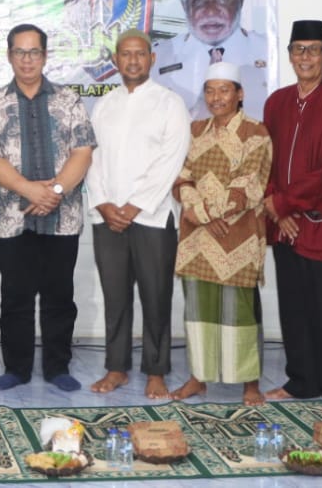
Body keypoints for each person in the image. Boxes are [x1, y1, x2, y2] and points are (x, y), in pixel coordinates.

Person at [0, 23, 96, 393]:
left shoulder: (68, 100)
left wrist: (56, 190)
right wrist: (29, 190)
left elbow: (82, 152)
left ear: (45, 56)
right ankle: (16, 368)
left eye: (34, 52)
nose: (27, 59)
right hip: (12, 219)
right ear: (9, 56)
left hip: (62, 218)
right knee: (15, 295)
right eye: (19, 52)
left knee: (59, 295)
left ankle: (57, 366)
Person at [84, 29, 190, 399]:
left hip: (152, 217)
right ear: (115, 60)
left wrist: (133, 206)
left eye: (139, 54)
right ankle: (116, 368)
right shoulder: (104, 105)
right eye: (125, 54)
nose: (132, 61)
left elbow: (170, 161)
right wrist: (103, 204)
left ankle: (156, 370)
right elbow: (91, 158)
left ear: (152, 59)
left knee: (156, 295)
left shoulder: (170, 103)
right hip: (107, 217)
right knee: (115, 296)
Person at [260, 20, 322, 410]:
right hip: (282, 225)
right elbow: (263, 158)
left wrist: (285, 205)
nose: (305, 57)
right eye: (298, 49)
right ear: (289, 55)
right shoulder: (277, 102)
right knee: (294, 306)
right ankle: (301, 380)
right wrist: (273, 203)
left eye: (314, 49)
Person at [172, 61, 272, 405]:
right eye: (210, 90)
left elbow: (249, 185)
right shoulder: (195, 130)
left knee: (239, 313)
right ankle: (198, 378)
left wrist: (208, 213)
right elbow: (181, 177)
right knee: (198, 310)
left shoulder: (255, 133)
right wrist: (201, 216)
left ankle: (250, 384)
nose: (216, 97)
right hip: (198, 238)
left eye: (224, 90)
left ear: (240, 94)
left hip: (238, 234)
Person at [157, 0, 269, 119]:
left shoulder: (269, 52)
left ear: (241, 0)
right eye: (199, 1)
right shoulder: (159, 59)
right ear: (184, 5)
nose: (210, 12)